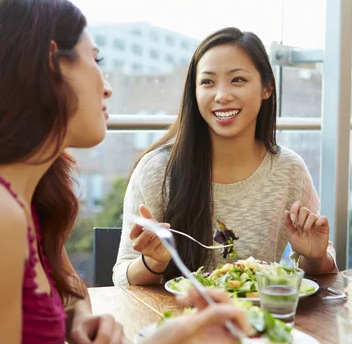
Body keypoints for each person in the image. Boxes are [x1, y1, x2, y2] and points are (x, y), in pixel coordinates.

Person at [0, 0, 250, 344]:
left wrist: (78, 317)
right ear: (51, 65)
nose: (107, 88)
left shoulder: (25, 192)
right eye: (96, 61)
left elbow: (63, 281)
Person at [113, 27, 336, 287]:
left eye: (237, 80)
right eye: (207, 82)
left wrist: (314, 256)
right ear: (194, 93)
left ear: (267, 88)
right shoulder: (157, 170)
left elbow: (322, 261)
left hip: (257, 321)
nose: (222, 95)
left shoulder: (289, 169)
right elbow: (121, 275)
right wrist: (153, 262)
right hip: (177, 321)